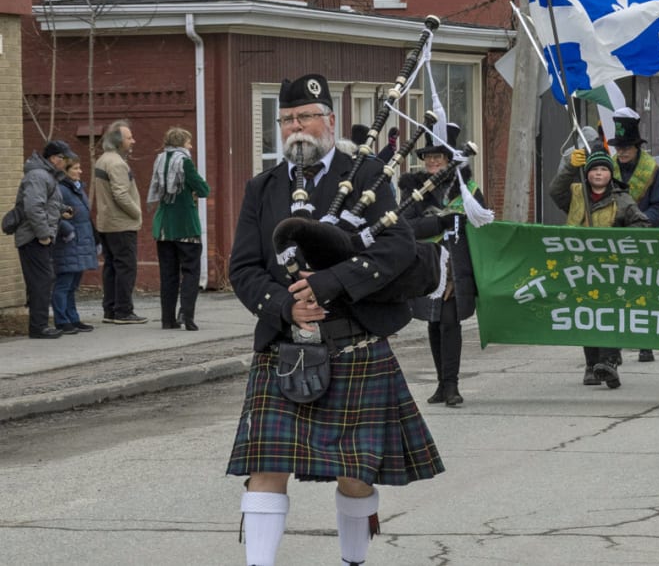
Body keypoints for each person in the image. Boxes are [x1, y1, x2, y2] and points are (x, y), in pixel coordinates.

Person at [226, 74, 443, 566]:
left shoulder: (366, 176)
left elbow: (396, 247)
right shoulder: (262, 188)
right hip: (285, 345)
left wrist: (329, 284)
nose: (295, 128)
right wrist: (286, 304)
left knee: (355, 471)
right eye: (286, 120)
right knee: (265, 465)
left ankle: (353, 562)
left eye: (304, 117)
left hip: (354, 342)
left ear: (328, 121)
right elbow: (242, 267)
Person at [399, 122, 486, 407]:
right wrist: (439, 221)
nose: (434, 161)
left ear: (450, 160)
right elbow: (406, 228)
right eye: (429, 157)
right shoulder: (413, 191)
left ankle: (452, 385)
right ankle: (441, 383)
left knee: (450, 322)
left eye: (440, 157)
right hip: (427, 266)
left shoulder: (468, 190)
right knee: (434, 324)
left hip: (457, 268)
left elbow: (483, 226)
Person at [550, 148, 651, 389]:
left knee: (608, 313)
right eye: (594, 169)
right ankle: (591, 365)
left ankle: (609, 363)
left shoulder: (622, 199)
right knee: (587, 314)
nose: (598, 173)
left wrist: (619, 238)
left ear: (610, 174)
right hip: (580, 266)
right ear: (587, 174)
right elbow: (555, 191)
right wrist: (570, 168)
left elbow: (642, 224)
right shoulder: (576, 194)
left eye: (603, 169)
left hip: (611, 269)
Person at [606, 108, 659, 363]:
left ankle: (646, 342)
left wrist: (639, 224)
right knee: (616, 293)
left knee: (644, 292)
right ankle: (615, 346)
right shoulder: (606, 169)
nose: (622, 152)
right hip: (614, 239)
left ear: (637, 147)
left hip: (645, 239)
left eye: (626, 147)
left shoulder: (653, 171)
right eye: (618, 147)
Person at [148, 127, 211, 331]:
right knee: (191, 272)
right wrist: (192, 190)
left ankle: (167, 319)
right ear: (182, 143)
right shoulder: (184, 161)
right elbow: (204, 189)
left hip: (164, 227)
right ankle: (187, 314)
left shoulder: (159, 160)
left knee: (168, 274)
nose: (190, 146)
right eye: (189, 142)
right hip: (185, 225)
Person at [16, 140, 75, 339]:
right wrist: (43, 236)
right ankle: (39, 327)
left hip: (40, 236)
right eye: (64, 158)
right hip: (34, 238)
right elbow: (34, 208)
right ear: (54, 158)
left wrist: (62, 210)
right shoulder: (38, 176)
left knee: (42, 280)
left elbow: (47, 203)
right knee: (41, 281)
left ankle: (40, 325)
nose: (66, 162)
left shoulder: (47, 176)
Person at [94, 119, 147, 324]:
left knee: (111, 267)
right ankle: (123, 311)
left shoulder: (102, 160)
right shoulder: (116, 163)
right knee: (126, 267)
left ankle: (110, 309)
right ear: (118, 141)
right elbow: (121, 194)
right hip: (121, 223)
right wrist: (137, 212)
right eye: (129, 137)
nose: (133, 141)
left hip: (106, 222)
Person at [52, 154, 98, 334]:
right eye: (76, 168)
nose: (80, 171)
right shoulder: (60, 189)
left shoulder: (77, 188)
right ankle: (61, 320)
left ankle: (73, 317)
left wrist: (95, 238)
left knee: (73, 284)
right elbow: (54, 211)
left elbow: (85, 216)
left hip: (81, 242)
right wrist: (66, 229)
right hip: (68, 242)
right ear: (65, 170)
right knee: (64, 283)